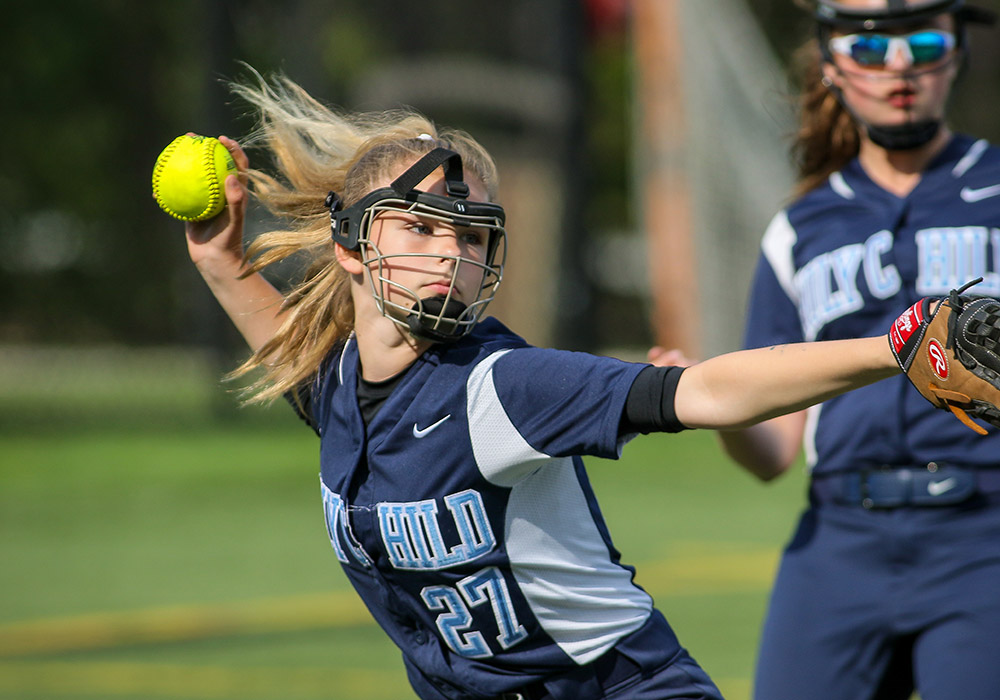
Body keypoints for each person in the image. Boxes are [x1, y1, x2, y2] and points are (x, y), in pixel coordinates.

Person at [183, 73, 925, 700]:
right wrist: (223, 261)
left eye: (471, 237)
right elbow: (293, 356)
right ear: (351, 245)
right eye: (421, 228)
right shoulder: (342, 387)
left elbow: (708, 393)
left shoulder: (499, 385)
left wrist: (896, 346)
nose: (450, 255)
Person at [677, 1, 1000, 698]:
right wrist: (718, 408)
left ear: (957, 48)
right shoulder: (799, 227)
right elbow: (773, 455)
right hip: (840, 538)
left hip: (986, 532)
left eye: (922, 39)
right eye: (870, 48)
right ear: (831, 66)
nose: (900, 67)